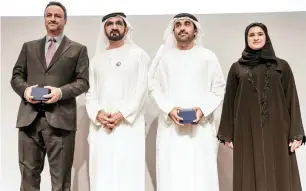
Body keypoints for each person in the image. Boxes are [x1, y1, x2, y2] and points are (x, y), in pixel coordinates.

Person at [10, 1, 89, 191]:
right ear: (45, 19)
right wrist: (26, 91)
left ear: (65, 20)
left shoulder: (78, 49)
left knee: (61, 180)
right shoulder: (29, 47)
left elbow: (83, 82)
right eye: (49, 15)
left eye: (57, 16)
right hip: (29, 120)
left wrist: (60, 92)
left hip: (61, 122)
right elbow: (16, 77)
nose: (53, 19)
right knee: (28, 178)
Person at [217, 22, 305, 191]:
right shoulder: (237, 68)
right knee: (249, 173)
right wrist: (227, 134)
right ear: (246, 39)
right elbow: (229, 101)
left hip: (279, 130)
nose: (256, 37)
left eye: (259, 34)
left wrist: (296, 133)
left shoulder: (281, 66)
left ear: (266, 37)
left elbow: (291, 99)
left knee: (280, 172)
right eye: (251, 35)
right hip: (246, 130)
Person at [148, 13, 225, 191]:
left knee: (201, 174)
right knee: (172, 174)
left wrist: (202, 110)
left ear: (195, 30)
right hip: (171, 130)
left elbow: (219, 87)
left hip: (201, 129)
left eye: (187, 24)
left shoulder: (208, 56)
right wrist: (169, 109)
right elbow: (153, 86)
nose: (182, 28)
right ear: (173, 30)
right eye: (178, 25)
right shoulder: (163, 58)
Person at [85, 12, 150, 191]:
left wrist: (123, 114)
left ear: (126, 27)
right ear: (104, 29)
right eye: (109, 24)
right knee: (102, 173)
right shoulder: (96, 60)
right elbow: (90, 92)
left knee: (128, 173)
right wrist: (98, 114)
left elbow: (142, 89)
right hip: (102, 126)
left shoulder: (139, 55)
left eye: (118, 23)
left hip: (129, 125)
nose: (114, 27)